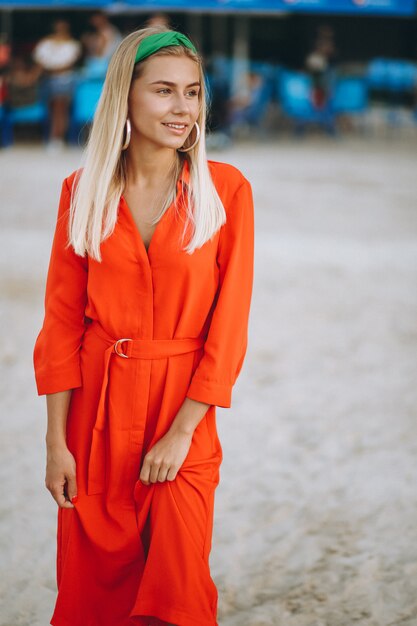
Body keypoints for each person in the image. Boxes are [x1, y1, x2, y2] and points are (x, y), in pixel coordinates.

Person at [33, 26, 254, 626]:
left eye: (193, 92)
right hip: (94, 417)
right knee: (93, 595)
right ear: (124, 97)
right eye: (164, 91)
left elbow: (229, 327)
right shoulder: (81, 191)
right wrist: (57, 442)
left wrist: (183, 432)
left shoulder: (225, 190)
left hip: (183, 413)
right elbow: (60, 324)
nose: (183, 109)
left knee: (178, 593)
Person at [33, 19, 81, 150]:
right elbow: (40, 60)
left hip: (63, 80)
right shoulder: (46, 43)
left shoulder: (72, 45)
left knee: (60, 109)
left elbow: (68, 64)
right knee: (52, 110)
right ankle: (54, 137)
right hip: (49, 80)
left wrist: (51, 68)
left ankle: (57, 138)